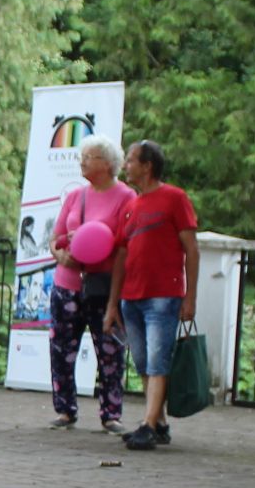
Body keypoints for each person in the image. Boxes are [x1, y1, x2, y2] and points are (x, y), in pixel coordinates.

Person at [106, 139, 199, 451]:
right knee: (143, 361)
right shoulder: (131, 206)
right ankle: (158, 423)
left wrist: (190, 297)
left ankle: (147, 425)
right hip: (131, 297)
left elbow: (191, 249)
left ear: (147, 166)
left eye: (131, 160)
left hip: (163, 294)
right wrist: (113, 304)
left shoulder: (175, 198)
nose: (126, 166)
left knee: (158, 360)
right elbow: (121, 256)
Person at [47, 136, 130, 432]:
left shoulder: (126, 197)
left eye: (89, 157)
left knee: (109, 350)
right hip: (67, 283)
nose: (81, 162)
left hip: (103, 286)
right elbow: (55, 238)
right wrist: (61, 255)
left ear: (107, 164)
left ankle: (111, 414)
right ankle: (65, 410)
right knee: (61, 347)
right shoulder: (75, 196)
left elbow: (125, 245)